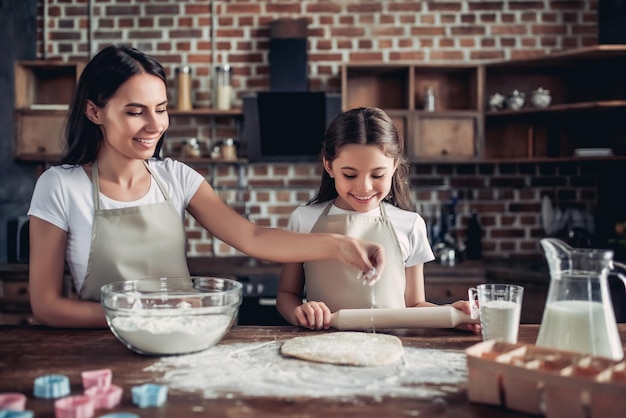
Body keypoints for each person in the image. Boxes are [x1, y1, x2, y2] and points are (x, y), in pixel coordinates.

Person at [27, 45, 384, 329]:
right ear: (94, 112)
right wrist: (144, 312)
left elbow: (254, 238)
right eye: (136, 112)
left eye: (161, 109)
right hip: (103, 349)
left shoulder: (175, 177)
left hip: (183, 341)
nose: (155, 125)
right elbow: (47, 306)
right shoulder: (60, 186)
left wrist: (339, 245)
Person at [276, 107, 479, 332]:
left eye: (378, 175)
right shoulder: (303, 220)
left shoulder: (410, 224)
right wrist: (300, 311)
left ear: (394, 166)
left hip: (394, 348)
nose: (364, 187)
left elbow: (413, 305)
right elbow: (287, 294)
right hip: (324, 345)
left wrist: (451, 315)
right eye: (350, 175)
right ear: (329, 166)